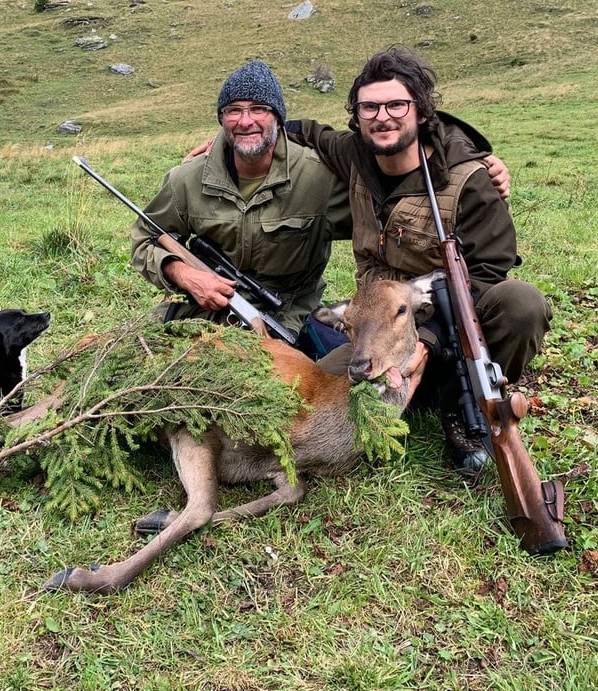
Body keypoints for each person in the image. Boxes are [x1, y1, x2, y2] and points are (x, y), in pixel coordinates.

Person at [284, 47, 552, 477]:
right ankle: (406, 390)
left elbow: (487, 273)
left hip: (453, 321)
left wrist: (426, 338)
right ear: (357, 114)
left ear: (421, 112)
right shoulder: (355, 153)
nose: (382, 116)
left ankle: (457, 400)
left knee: (521, 304)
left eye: (396, 104)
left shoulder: (469, 180)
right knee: (318, 393)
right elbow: (308, 132)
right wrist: (231, 138)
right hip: (382, 328)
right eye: (369, 107)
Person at [129, 59, 510, 361]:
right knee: (143, 355)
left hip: (287, 313)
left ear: (278, 118)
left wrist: (470, 159)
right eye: (234, 111)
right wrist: (182, 273)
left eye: (259, 109)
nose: (245, 120)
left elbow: (394, 197)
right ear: (221, 120)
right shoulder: (185, 179)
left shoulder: (320, 176)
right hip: (200, 304)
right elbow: (145, 237)